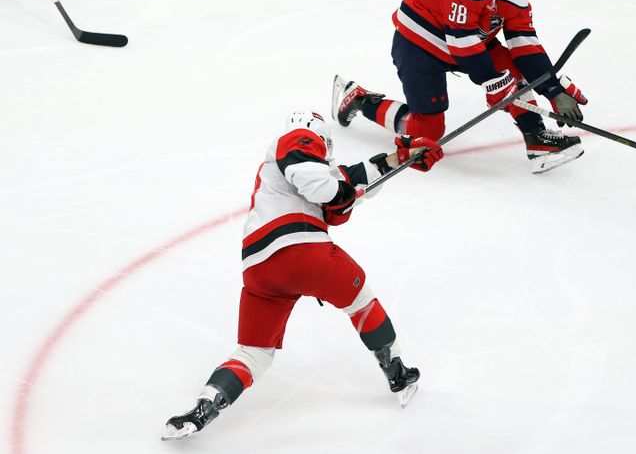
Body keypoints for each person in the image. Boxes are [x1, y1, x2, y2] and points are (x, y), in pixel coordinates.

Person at [162, 110, 444, 441]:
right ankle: (396, 371)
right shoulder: (299, 138)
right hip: (302, 249)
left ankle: (202, 410)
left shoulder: (286, 172)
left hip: (260, 270)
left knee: (253, 353)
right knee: (360, 301)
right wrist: (341, 194)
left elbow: (349, 178)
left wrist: (401, 158)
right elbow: (327, 189)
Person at [332, 0, 589, 174]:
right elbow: (461, 40)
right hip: (420, 45)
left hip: (470, 44)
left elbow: (524, 41)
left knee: (515, 72)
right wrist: (492, 80)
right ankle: (359, 99)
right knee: (428, 132)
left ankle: (537, 139)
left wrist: (552, 88)